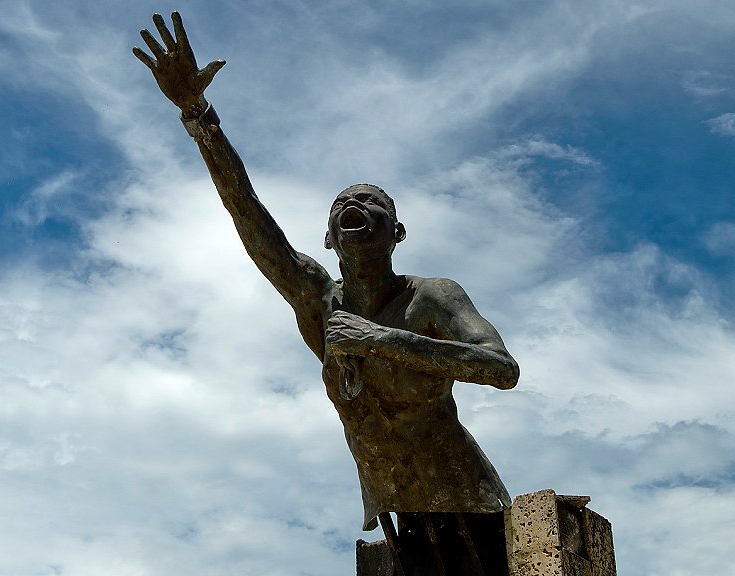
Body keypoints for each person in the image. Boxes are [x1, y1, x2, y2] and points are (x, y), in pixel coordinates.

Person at [134, 13, 520, 576]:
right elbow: (250, 219)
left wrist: (382, 339)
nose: (353, 208)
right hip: (397, 516)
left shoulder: (432, 297)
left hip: (471, 511)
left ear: (398, 232)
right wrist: (198, 116)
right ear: (328, 239)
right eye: (340, 206)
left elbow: (501, 368)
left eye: (372, 203)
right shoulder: (319, 299)